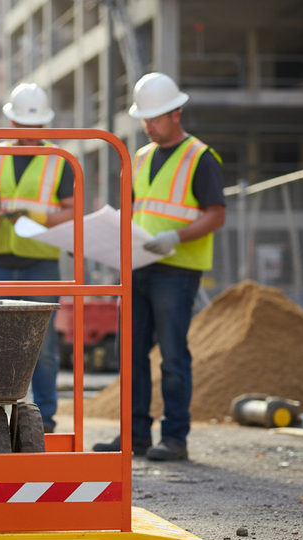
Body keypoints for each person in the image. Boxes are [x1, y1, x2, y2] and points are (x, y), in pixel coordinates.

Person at [94, 72, 225, 461]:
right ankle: (134, 435)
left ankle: (175, 437)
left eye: (155, 118)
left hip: (176, 270)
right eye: (144, 119)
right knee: (131, 354)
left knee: (172, 355)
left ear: (176, 113)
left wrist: (176, 237)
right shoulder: (140, 157)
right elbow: (135, 212)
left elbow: (216, 214)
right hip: (138, 267)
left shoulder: (200, 157)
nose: (148, 126)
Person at [0, 83, 74, 432]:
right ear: (12, 123)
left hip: (41, 263)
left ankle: (44, 420)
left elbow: (73, 210)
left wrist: (37, 216)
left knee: (43, 348)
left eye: (37, 125)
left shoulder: (60, 160)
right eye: (25, 125)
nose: (31, 131)